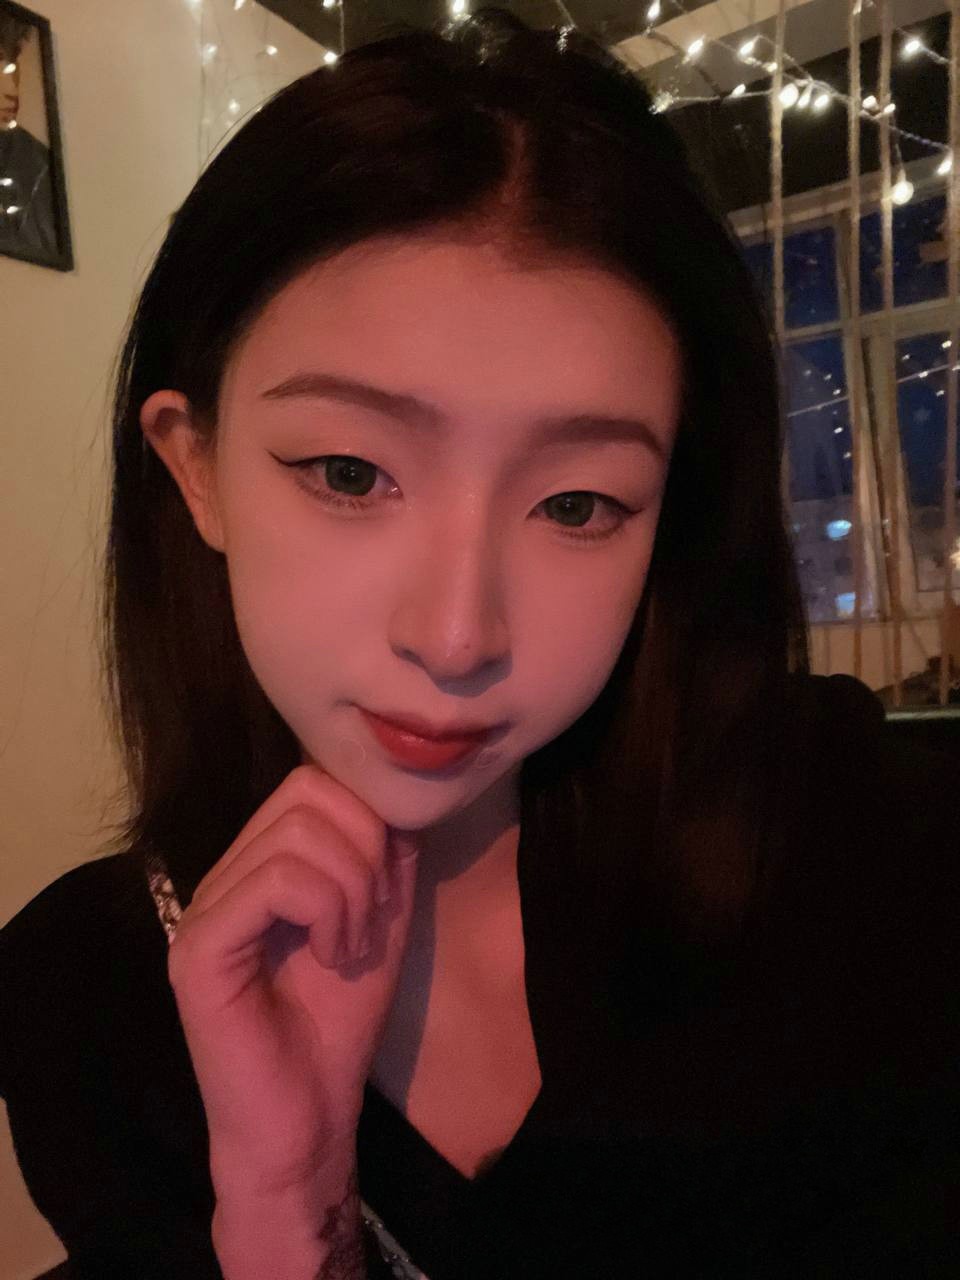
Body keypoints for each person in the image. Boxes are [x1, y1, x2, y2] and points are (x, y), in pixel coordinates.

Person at [2, 8, 959, 1278]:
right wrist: (286, 1204)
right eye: (350, 472)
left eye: (579, 504)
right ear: (197, 468)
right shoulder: (82, 998)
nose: (457, 638)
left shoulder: (864, 841)